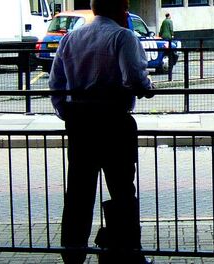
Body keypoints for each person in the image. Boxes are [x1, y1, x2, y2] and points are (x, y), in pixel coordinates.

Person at [48, 0, 154, 263]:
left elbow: (55, 83)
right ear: (121, 8)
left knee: (78, 192)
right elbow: (134, 78)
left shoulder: (70, 39)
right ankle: (126, 252)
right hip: (113, 122)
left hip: (80, 124)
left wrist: (67, 114)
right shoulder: (123, 36)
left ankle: (73, 254)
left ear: (94, 9)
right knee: (122, 190)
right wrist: (147, 87)